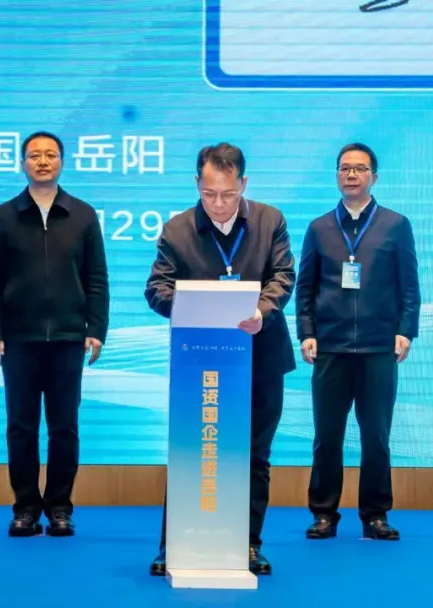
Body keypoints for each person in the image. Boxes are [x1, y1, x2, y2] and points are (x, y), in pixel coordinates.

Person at [144, 143, 296, 576]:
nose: (218, 204)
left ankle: (249, 543)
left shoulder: (270, 221)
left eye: (228, 194)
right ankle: (173, 544)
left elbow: (284, 275)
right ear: (197, 184)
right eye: (209, 193)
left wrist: (260, 311)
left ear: (243, 184)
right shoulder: (177, 230)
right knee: (191, 450)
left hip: (261, 358)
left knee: (254, 455)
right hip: (199, 364)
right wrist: (194, 306)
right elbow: (156, 288)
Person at [0, 131, 110, 538]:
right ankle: (25, 508)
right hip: (18, 340)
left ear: (62, 162)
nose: (43, 161)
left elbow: (97, 279)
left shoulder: (83, 215)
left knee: (64, 427)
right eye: (34, 155)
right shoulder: (3, 217)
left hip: (69, 339)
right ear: (22, 164)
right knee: (21, 427)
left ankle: (59, 508)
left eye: (50, 155)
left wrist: (96, 328)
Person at [295, 143, 420, 541]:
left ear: (374, 177)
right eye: (345, 168)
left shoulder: (395, 225)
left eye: (360, 169)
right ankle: (323, 514)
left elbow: (409, 286)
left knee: (376, 437)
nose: (351, 174)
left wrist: (405, 330)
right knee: (326, 437)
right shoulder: (319, 228)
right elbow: (305, 287)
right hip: (330, 348)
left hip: (378, 347)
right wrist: (307, 332)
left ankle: (375, 515)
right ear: (336, 175)